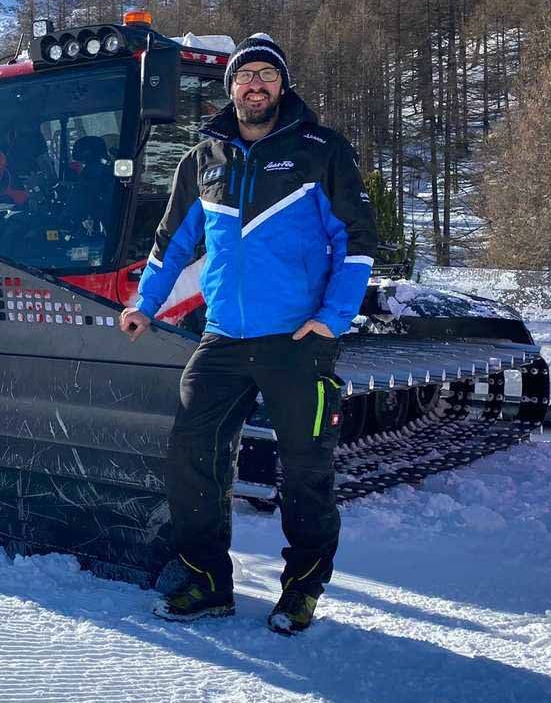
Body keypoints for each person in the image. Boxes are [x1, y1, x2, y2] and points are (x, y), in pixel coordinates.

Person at [119, 33, 377, 635]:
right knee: (191, 455)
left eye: (266, 74)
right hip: (223, 339)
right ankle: (208, 582)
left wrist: (331, 319)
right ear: (230, 86)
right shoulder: (204, 159)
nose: (254, 84)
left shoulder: (321, 150)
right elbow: (172, 244)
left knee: (306, 469)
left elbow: (356, 243)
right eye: (245, 75)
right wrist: (144, 306)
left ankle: (301, 589)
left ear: (281, 86)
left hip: (297, 340)